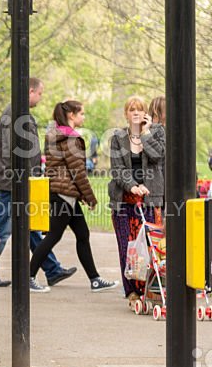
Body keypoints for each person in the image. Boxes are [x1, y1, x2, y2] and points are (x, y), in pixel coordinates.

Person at [0, 78, 76, 290]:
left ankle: (52, 269)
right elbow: (9, 152)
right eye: (40, 94)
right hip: (12, 182)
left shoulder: (18, 113)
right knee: (2, 230)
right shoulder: (14, 114)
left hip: (17, 181)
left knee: (30, 227)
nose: (41, 98)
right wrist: (20, 179)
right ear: (31, 91)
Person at [30, 100, 118, 293]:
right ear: (71, 115)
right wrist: (90, 198)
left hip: (62, 191)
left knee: (82, 234)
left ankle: (95, 279)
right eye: (82, 114)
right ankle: (28, 277)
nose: (83, 117)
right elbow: (78, 171)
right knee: (53, 236)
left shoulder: (56, 135)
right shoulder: (71, 139)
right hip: (64, 193)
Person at [109, 96, 165, 304]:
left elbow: (158, 157)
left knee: (151, 247)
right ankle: (131, 291)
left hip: (149, 200)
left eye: (139, 109)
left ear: (145, 113)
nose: (135, 113)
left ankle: (149, 290)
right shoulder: (117, 138)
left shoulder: (157, 133)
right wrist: (132, 185)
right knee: (127, 247)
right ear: (126, 114)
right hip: (124, 200)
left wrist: (146, 133)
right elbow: (118, 168)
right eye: (131, 109)